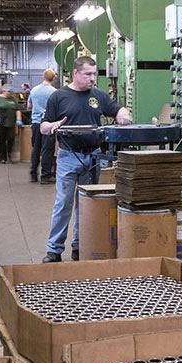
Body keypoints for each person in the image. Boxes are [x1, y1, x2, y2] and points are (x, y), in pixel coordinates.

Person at [40, 56, 131, 263]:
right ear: (75, 73)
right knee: (63, 203)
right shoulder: (59, 97)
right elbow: (42, 126)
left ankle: (79, 246)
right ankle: (54, 250)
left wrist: (123, 113)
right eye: (88, 74)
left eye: (94, 74)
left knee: (86, 204)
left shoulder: (98, 95)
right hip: (68, 156)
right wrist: (51, 126)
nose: (92, 79)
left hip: (93, 158)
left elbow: (117, 108)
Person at [27, 69, 57, 183]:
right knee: (47, 150)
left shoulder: (34, 90)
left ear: (43, 77)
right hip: (48, 125)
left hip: (35, 123)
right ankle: (45, 176)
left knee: (36, 149)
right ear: (53, 78)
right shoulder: (54, 92)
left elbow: (29, 106)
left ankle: (33, 174)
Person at [0, 84, 22, 164]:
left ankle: (10, 155)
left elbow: (17, 110)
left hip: (11, 123)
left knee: (11, 139)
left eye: (10, 91)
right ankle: (2, 157)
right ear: (3, 90)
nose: (9, 93)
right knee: (1, 140)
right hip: (0, 124)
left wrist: (18, 119)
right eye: (8, 91)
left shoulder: (13, 99)